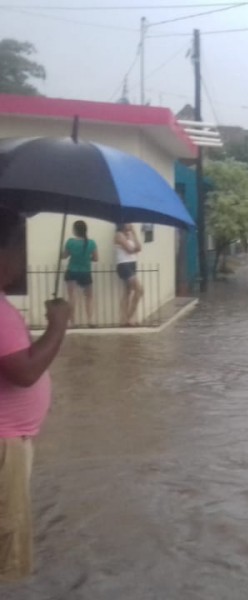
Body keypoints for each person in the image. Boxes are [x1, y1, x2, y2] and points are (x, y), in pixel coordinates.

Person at [0, 208, 70, 582]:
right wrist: (58, 326)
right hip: (4, 447)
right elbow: (25, 372)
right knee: (4, 540)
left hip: (10, 441)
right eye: (20, 249)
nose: (24, 260)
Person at [61, 220, 98, 327]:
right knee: (89, 297)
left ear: (75, 230)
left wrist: (60, 254)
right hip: (85, 272)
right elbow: (96, 258)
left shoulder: (70, 242)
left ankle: (72, 322)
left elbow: (64, 256)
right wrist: (86, 258)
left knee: (72, 297)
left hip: (72, 271)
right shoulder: (91, 243)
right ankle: (90, 321)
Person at [115, 224, 143, 327]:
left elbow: (139, 247)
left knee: (127, 292)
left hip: (132, 264)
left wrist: (134, 233)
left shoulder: (130, 235)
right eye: (128, 223)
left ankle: (124, 319)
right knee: (139, 290)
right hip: (124, 265)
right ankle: (128, 317)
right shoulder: (118, 235)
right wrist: (136, 249)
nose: (130, 225)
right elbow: (129, 250)